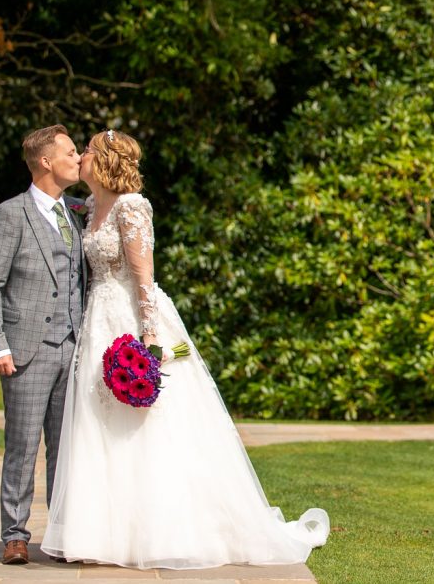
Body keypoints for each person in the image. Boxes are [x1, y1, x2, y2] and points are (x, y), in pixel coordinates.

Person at [41, 130, 328, 569]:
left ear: (104, 159)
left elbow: (143, 275)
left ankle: (162, 531)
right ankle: (101, 536)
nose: (79, 155)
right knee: (98, 423)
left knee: (145, 427)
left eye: (88, 149)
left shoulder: (131, 206)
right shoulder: (90, 208)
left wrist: (149, 342)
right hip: (96, 321)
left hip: (132, 322)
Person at [0, 125, 86, 565]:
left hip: (72, 346)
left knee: (65, 448)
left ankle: (59, 534)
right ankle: (15, 535)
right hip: (25, 348)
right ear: (46, 161)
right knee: (22, 446)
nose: (79, 158)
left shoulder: (75, 213)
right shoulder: (9, 215)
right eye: (71, 152)